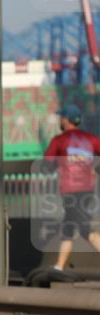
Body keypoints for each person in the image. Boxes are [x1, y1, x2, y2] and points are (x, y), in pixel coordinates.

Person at [43, 104, 100, 271]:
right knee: (68, 228)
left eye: (61, 117)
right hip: (88, 190)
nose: (60, 120)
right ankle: (59, 267)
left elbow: (47, 164)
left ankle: (59, 267)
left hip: (70, 191)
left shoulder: (59, 141)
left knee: (85, 230)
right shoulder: (91, 139)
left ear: (66, 120)